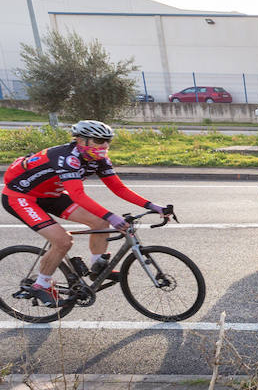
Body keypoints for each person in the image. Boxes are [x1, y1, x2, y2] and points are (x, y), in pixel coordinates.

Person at [3, 120, 170, 306]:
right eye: (99, 140)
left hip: (51, 195)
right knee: (63, 241)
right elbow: (78, 195)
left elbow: (119, 188)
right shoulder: (67, 158)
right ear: (82, 141)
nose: (105, 145)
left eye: (108, 141)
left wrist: (153, 206)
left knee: (100, 222)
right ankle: (41, 285)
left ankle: (97, 267)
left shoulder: (98, 159)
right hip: (21, 197)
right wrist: (112, 216)